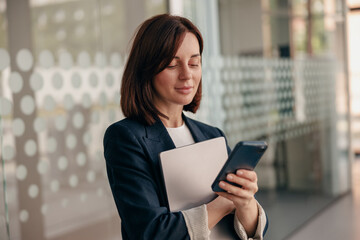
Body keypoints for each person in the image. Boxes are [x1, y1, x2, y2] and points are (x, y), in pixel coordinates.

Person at [103, 14, 268, 240]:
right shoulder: (125, 137)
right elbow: (151, 232)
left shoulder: (212, 136)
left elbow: (252, 231)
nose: (187, 74)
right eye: (172, 64)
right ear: (146, 69)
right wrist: (222, 204)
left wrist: (245, 202)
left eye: (194, 63)